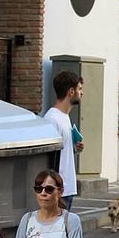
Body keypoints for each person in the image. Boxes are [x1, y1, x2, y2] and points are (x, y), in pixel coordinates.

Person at [42, 70, 83, 209]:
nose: (81, 93)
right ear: (71, 91)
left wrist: (75, 148)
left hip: (67, 186)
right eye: (79, 89)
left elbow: (63, 150)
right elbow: (48, 156)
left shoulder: (65, 116)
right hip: (59, 189)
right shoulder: (52, 119)